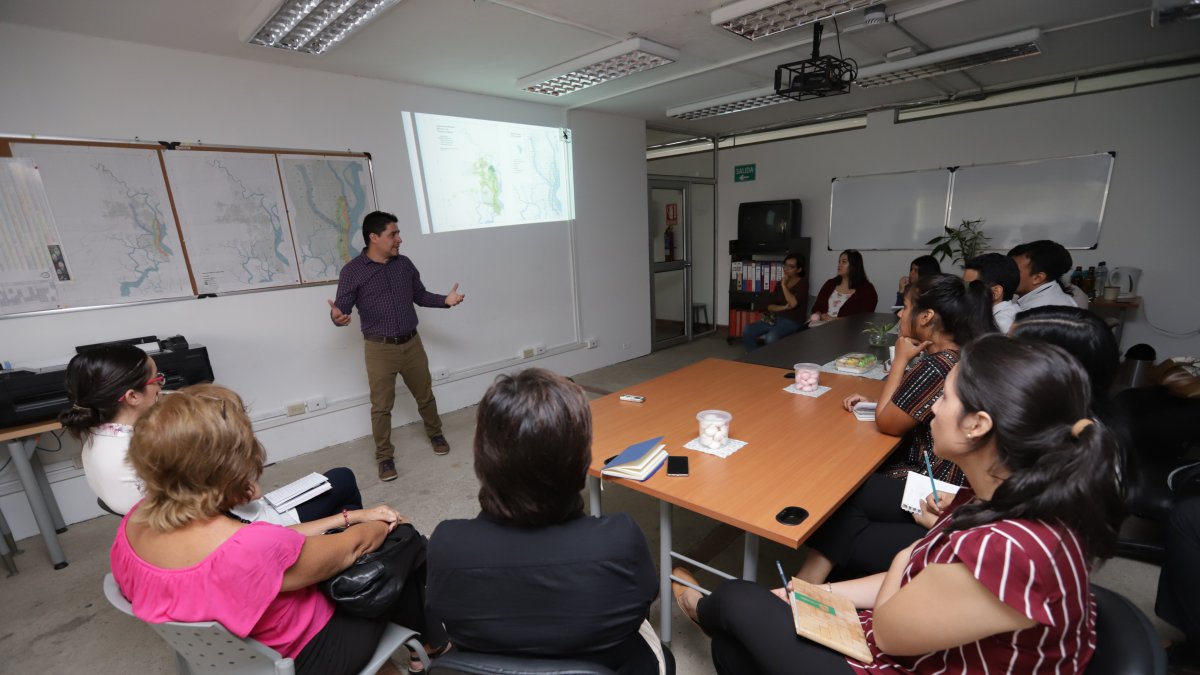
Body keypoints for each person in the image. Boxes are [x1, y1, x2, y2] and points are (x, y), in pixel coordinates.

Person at [673, 335, 1125, 674]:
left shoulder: (1009, 548)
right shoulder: (1014, 497)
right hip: (922, 645)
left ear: (978, 425)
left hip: (897, 656)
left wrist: (911, 549)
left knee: (736, 600)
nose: (931, 412)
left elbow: (889, 628)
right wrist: (811, 596)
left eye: (945, 399)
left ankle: (701, 608)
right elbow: (922, 580)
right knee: (737, 643)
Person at [109, 384, 450, 675]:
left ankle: (427, 642)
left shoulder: (132, 526)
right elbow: (351, 549)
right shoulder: (251, 548)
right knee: (404, 540)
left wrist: (347, 517)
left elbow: (274, 547)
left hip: (234, 658)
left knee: (379, 546)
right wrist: (379, 522)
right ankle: (433, 644)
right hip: (308, 654)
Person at [426, 368, 671, 674]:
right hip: (611, 665)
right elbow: (642, 600)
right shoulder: (619, 540)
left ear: (483, 455)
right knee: (661, 653)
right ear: (581, 459)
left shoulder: (446, 545)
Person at [794, 274, 994, 584]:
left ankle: (814, 584)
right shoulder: (956, 353)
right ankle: (812, 583)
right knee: (850, 495)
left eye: (906, 306)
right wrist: (879, 399)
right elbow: (915, 404)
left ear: (926, 316)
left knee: (843, 492)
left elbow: (887, 422)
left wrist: (900, 360)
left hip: (934, 483)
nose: (899, 313)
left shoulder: (936, 364)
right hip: (952, 481)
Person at [59, 344, 362, 525]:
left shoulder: (98, 439)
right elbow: (227, 499)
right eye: (157, 380)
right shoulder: (156, 448)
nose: (162, 387)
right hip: (235, 529)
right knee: (342, 478)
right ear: (132, 397)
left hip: (190, 531)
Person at [329, 210, 465, 482]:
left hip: (412, 343)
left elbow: (420, 295)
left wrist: (444, 301)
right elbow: (341, 309)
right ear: (374, 237)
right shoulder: (352, 272)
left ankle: (435, 434)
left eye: (398, 234)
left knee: (424, 394)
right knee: (381, 407)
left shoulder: (404, 265)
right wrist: (337, 318)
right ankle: (384, 457)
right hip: (379, 349)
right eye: (393, 234)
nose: (399, 239)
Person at [742, 253, 810, 352]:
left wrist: (784, 285)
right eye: (785, 265)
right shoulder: (778, 284)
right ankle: (756, 360)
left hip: (794, 321)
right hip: (776, 318)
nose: (786, 269)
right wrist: (782, 308)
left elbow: (793, 303)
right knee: (748, 330)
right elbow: (770, 306)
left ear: (799, 270)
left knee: (771, 336)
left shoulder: (803, 282)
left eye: (791, 267)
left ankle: (772, 364)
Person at [1008, 239, 1078, 311]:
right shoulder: (1052, 296)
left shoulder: (1037, 311)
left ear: (1038, 278)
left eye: (1012, 270)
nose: (1005, 273)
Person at [810, 250, 878, 322]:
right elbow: (816, 307)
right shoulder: (830, 283)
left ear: (854, 265)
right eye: (839, 262)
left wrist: (835, 320)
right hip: (820, 326)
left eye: (844, 262)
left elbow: (864, 318)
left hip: (846, 331)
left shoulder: (867, 289)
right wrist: (819, 315)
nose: (839, 265)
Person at [962, 252, 1020, 333]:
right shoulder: (1010, 311)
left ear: (995, 292)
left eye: (970, 286)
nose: (963, 292)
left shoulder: (1000, 324)